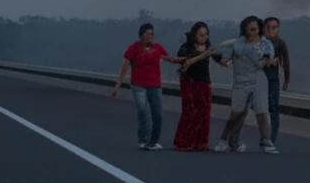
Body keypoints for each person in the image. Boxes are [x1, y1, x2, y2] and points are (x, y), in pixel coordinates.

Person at [183, 15, 279, 154]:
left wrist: (268, 61)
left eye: (255, 29)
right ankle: (225, 140)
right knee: (237, 113)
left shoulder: (266, 45)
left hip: (258, 80)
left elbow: (266, 59)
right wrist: (223, 60)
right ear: (245, 30)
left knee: (263, 113)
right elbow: (224, 57)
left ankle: (266, 141)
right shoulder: (237, 44)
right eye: (250, 30)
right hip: (241, 81)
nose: (253, 33)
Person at [111, 22, 183, 150]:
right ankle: (143, 140)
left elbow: (169, 58)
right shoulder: (133, 49)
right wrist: (117, 87)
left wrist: (181, 60)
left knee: (158, 114)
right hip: (138, 86)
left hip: (155, 86)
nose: (151, 36)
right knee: (143, 111)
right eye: (148, 34)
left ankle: (153, 142)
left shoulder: (158, 48)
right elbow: (124, 68)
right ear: (141, 36)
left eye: (152, 34)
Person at [172, 21, 225, 151]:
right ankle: (183, 142)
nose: (204, 37)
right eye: (201, 35)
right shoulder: (186, 47)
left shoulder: (208, 47)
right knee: (190, 111)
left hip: (204, 82)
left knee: (205, 112)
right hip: (189, 82)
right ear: (194, 34)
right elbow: (183, 59)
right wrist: (203, 54)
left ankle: (201, 143)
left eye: (206, 34)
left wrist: (224, 58)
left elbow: (219, 58)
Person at [262, 16, 291, 146]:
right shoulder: (259, 43)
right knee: (261, 108)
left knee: (273, 107)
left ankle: (271, 139)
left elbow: (286, 62)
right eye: (268, 27)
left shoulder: (280, 43)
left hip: (273, 79)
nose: (270, 30)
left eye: (274, 28)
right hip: (259, 78)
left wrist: (287, 79)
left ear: (278, 29)